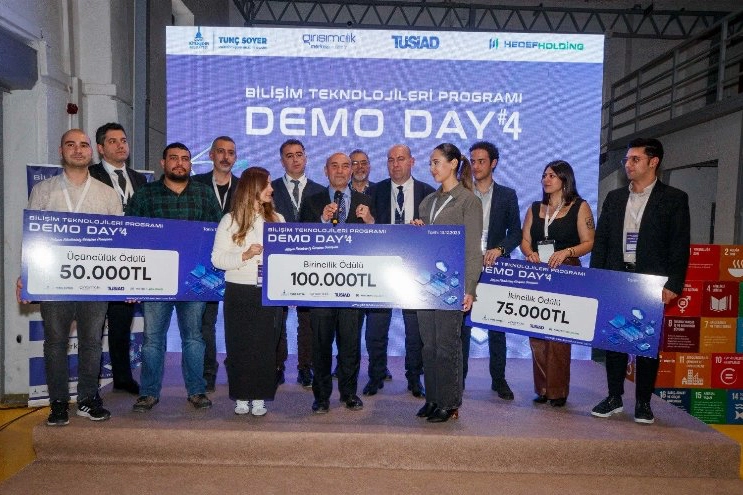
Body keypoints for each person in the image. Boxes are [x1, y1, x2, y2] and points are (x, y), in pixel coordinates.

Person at [20, 129, 122, 425]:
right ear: (61, 151)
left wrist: (125, 283)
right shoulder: (44, 190)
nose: (78, 150)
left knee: (92, 342)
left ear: (92, 151)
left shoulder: (107, 194)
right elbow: (32, 237)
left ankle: (88, 399)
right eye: (71, 144)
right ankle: (58, 403)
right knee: (55, 342)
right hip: (53, 281)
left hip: (95, 282)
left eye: (84, 145)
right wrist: (24, 276)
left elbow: (120, 243)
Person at [590, 138, 690, 424]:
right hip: (616, 277)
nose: (628, 164)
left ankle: (644, 402)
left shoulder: (674, 198)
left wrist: (673, 284)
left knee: (646, 342)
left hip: (651, 282)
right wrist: (597, 278)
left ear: (653, 162)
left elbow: (679, 245)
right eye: (627, 159)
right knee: (614, 338)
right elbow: (602, 241)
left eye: (635, 159)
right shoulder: (615, 198)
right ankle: (614, 397)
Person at [126, 142, 222, 412]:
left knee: (193, 338)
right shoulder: (145, 195)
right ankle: (148, 393)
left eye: (185, 159)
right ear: (163, 163)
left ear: (190, 164)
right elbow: (131, 235)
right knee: (152, 339)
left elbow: (218, 232)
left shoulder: (204, 194)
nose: (180, 163)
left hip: (195, 280)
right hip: (155, 280)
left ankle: (197, 391)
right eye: (174, 158)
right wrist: (132, 281)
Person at [412, 143, 483, 423]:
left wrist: (470, 288)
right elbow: (424, 246)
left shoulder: (468, 201)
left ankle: (449, 402)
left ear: (453, 164)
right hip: (426, 284)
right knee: (428, 346)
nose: (432, 168)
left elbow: (473, 250)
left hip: (452, 285)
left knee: (447, 346)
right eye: (430, 163)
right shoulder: (427, 202)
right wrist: (416, 232)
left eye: (437, 162)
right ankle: (432, 398)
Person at [299, 152, 374, 414]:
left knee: (350, 344)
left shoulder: (366, 201)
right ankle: (321, 397)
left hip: (354, 285)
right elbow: (300, 240)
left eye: (345, 166)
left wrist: (370, 222)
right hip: (321, 286)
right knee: (320, 344)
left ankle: (349, 393)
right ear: (326, 170)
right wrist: (321, 221)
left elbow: (380, 243)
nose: (341, 171)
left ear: (351, 171)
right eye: (335, 166)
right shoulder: (312, 201)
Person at [520, 160, 595, 408]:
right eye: (544, 175)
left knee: (560, 334)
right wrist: (529, 253)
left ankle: (558, 390)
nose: (546, 179)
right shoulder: (535, 208)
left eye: (552, 175)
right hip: (538, 273)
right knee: (536, 332)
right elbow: (524, 240)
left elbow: (589, 241)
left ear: (565, 179)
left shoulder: (580, 206)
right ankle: (542, 388)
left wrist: (567, 252)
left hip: (566, 273)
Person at [364, 144, 434, 398]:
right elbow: (366, 233)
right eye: (391, 160)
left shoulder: (428, 193)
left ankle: (414, 378)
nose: (395, 164)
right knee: (376, 329)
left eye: (401, 159)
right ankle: (376, 376)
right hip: (381, 270)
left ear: (412, 161)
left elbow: (435, 233)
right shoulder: (374, 191)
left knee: (415, 331)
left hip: (415, 270)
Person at [211, 167, 283, 416]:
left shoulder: (278, 219)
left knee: (265, 346)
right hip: (238, 291)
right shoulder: (229, 220)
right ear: (253, 188)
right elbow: (217, 259)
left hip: (268, 292)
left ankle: (260, 396)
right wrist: (245, 255)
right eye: (267, 184)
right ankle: (241, 396)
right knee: (239, 344)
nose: (271, 189)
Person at [89, 122, 148, 396]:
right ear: (101, 148)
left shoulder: (140, 179)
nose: (121, 145)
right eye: (112, 141)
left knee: (122, 323)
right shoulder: (90, 176)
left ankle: (123, 377)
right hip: (97, 258)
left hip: (130, 260)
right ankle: (89, 386)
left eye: (123, 140)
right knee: (92, 327)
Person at [460, 141, 521, 398]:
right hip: (466, 266)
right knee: (462, 326)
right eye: (472, 161)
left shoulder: (507, 195)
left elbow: (516, 232)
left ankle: (499, 379)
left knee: (497, 326)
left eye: (481, 161)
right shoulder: (461, 192)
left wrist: (501, 249)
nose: (475, 166)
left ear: (493, 163)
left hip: (495, 268)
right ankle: (459, 379)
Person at [270, 139, 325, 388]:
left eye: (299, 154)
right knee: (277, 316)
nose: (295, 159)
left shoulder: (320, 191)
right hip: (278, 261)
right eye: (289, 155)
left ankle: (306, 367)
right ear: (282, 160)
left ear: (306, 158)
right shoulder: (269, 190)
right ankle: (277, 365)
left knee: (308, 319)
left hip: (310, 263)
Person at [192, 136, 239, 393]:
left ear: (235, 157)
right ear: (211, 155)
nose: (225, 157)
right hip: (203, 264)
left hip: (236, 264)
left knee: (236, 322)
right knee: (205, 323)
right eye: (220, 151)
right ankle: (208, 372)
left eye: (230, 152)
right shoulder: (195, 184)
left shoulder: (243, 187)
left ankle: (237, 371)